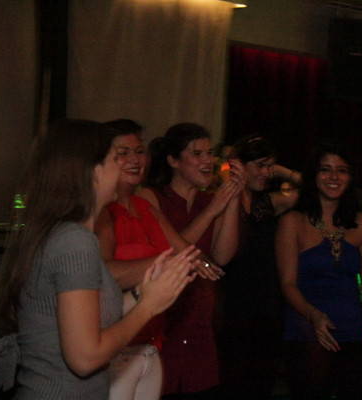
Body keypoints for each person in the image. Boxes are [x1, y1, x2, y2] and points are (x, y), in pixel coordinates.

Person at [0, 119, 198, 399]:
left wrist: (143, 292)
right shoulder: (75, 241)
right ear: (92, 172)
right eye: (115, 158)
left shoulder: (66, 234)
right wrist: (148, 307)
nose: (123, 166)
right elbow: (85, 358)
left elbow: (88, 317)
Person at [95, 119, 223, 400]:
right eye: (123, 152)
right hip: (115, 344)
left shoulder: (144, 206)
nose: (135, 159)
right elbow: (102, 273)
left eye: (139, 151)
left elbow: (187, 252)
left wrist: (198, 262)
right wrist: (168, 264)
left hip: (151, 344)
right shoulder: (103, 211)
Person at [276, 143, 362, 400]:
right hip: (306, 330)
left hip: (351, 330)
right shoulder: (292, 221)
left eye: (341, 170)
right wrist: (314, 316)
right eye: (326, 169)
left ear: (350, 177)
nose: (334, 177)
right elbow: (287, 283)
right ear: (314, 175)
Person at [140, 123, 243, 399]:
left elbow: (222, 256)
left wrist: (233, 198)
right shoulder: (150, 196)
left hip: (199, 314)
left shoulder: (211, 199)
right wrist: (211, 211)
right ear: (173, 160)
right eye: (197, 154)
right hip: (162, 317)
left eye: (210, 153)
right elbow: (170, 251)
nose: (208, 161)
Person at [219, 135, 300, 399]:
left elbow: (312, 190)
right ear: (239, 166)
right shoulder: (219, 201)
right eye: (261, 165)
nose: (266, 173)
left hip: (265, 305)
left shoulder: (266, 203)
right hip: (229, 306)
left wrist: (282, 171)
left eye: (270, 166)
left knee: (261, 381)